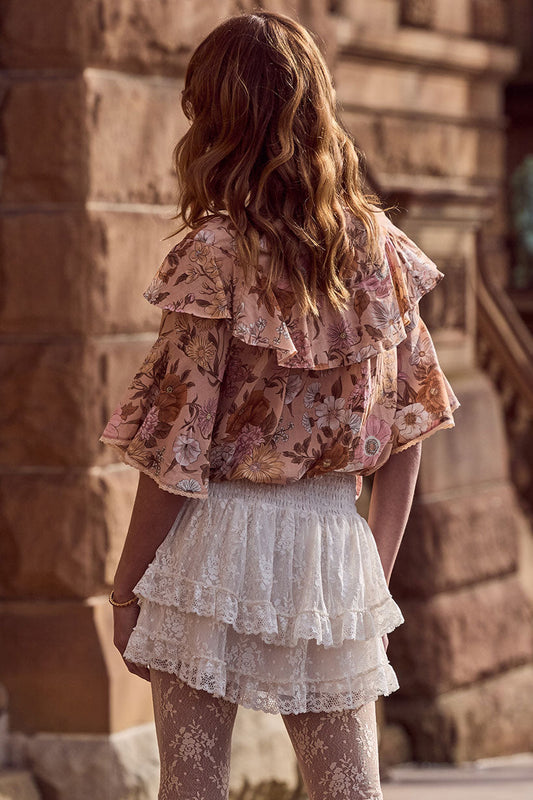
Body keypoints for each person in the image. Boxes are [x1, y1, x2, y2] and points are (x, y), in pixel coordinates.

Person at [99, 10, 460, 800]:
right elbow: (410, 430)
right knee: (348, 791)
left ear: (218, 119)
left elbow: (176, 448)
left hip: (215, 539)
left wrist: (126, 590)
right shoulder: (382, 251)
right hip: (336, 544)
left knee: (192, 787)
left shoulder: (212, 253)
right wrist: (372, 579)